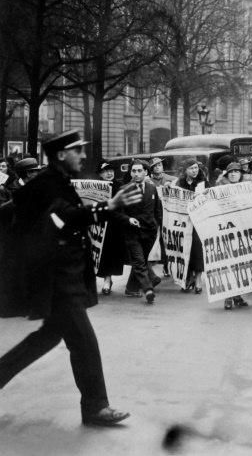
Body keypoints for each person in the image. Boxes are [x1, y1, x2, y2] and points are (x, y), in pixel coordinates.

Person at [0, 130, 141, 426]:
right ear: (61, 155)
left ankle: (94, 406)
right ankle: (95, 407)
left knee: (46, 338)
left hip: (63, 277)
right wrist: (109, 206)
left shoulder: (54, 182)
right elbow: (66, 217)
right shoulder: (47, 184)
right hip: (56, 280)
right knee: (84, 340)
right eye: (78, 150)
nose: (84, 155)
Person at [117, 160, 162, 304]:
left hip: (149, 232)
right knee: (139, 261)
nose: (136, 174)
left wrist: (158, 225)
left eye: (139, 171)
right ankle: (148, 289)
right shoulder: (124, 189)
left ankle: (131, 287)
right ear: (130, 173)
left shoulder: (151, 188)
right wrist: (128, 219)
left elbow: (157, 210)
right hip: (132, 232)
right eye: (133, 171)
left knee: (141, 261)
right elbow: (117, 212)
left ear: (145, 172)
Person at [215, 163, 250, 310]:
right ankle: (228, 297)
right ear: (226, 174)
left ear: (241, 174)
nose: (234, 174)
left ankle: (237, 295)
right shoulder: (219, 189)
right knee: (228, 264)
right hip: (226, 231)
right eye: (231, 172)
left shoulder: (247, 188)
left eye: (237, 172)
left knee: (241, 265)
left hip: (242, 231)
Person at [174, 158, 208, 293]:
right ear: (185, 171)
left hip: (198, 222)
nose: (194, 171)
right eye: (191, 168)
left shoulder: (203, 183)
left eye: (196, 168)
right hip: (184, 221)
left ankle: (198, 278)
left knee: (197, 251)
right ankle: (188, 278)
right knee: (185, 249)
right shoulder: (180, 183)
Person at [95, 162, 125, 295]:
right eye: (106, 171)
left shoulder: (119, 187)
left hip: (114, 226)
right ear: (100, 174)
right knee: (98, 253)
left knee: (110, 253)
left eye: (111, 170)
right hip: (99, 225)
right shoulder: (96, 187)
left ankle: (108, 280)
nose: (109, 173)